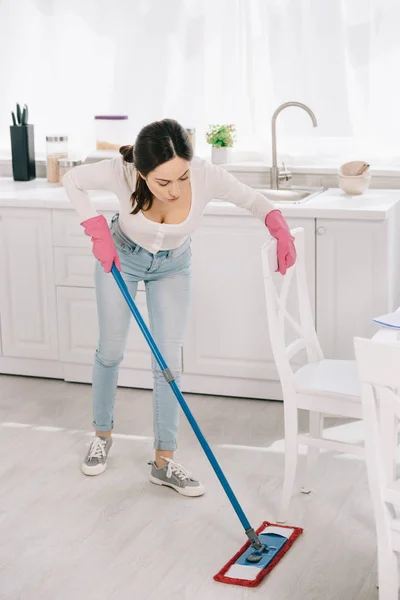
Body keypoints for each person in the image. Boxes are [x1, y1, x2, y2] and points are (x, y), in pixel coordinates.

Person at [62, 118, 296, 497]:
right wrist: (95, 228)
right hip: (120, 257)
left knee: (168, 363)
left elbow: (253, 200)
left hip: (173, 266)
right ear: (141, 173)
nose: (175, 190)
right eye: (163, 182)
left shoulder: (205, 174)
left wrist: (278, 226)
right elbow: (72, 181)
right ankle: (102, 435)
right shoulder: (119, 171)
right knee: (110, 351)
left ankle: (163, 463)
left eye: (182, 178)